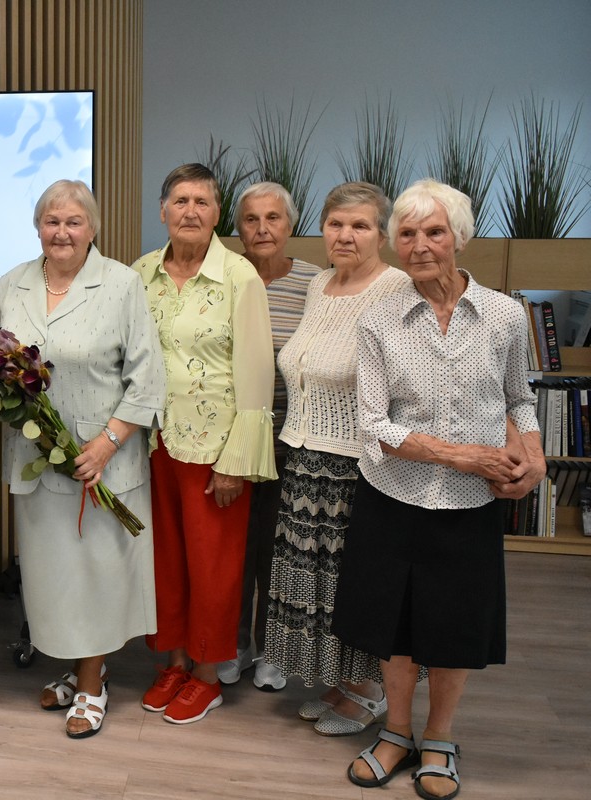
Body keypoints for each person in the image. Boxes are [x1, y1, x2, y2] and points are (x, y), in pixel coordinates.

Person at [336, 179, 545, 800]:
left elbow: (520, 399)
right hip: (392, 495)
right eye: (406, 234)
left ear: (459, 237)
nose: (420, 245)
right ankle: (396, 732)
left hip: (470, 505)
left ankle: (440, 738)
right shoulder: (378, 318)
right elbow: (373, 424)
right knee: (395, 626)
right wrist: (466, 456)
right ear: (394, 242)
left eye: (434, 232)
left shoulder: (504, 316)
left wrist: (533, 458)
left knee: (454, 626)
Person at [0, 180, 164, 739]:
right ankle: (78, 668)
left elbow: (148, 379)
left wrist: (108, 441)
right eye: (52, 221)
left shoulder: (121, 284)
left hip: (103, 462)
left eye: (73, 221)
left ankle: (93, 684)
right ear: (37, 227)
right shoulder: (12, 282)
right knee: (57, 579)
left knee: (96, 577)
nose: (62, 232)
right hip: (38, 459)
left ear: (92, 228)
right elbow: (1, 362)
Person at [263, 181, 413, 737]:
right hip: (303, 457)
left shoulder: (396, 288)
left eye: (360, 226)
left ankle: (371, 690)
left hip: (358, 465)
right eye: (336, 224)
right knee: (317, 583)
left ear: (382, 234)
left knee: (355, 583)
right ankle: (343, 680)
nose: (346, 235)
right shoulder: (319, 284)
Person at [132, 164, 277, 725]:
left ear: (217, 214)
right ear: (162, 210)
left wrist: (236, 460)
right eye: (180, 200)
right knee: (165, 562)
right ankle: (174, 662)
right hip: (152, 443)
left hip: (215, 451)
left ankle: (209, 675)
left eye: (202, 201)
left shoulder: (239, 277)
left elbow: (257, 376)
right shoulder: (141, 273)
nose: (190, 211)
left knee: (214, 569)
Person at [218, 182, 322, 692]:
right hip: (230, 441)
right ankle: (234, 644)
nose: (262, 229)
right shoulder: (225, 275)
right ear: (237, 227)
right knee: (235, 550)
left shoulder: (315, 283)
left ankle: (273, 649)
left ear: (290, 224)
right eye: (251, 219)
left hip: (293, 441)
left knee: (280, 553)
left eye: (273, 218)